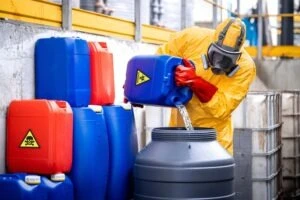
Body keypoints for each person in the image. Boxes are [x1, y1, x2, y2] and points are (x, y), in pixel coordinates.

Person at [156, 17, 256, 155]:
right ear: (211, 43)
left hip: (214, 143)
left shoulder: (245, 67)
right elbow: (160, 61)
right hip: (178, 135)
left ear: (237, 57)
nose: (219, 63)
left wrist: (195, 82)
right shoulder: (191, 38)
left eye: (227, 60)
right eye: (216, 55)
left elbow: (222, 107)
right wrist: (140, 90)